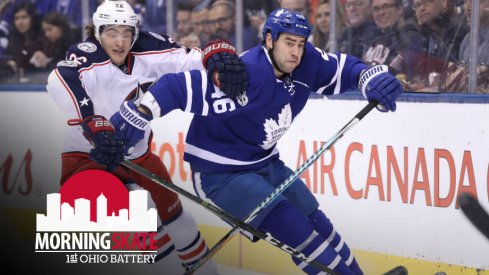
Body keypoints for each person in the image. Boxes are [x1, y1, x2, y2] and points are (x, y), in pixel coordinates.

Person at [98, 8, 403, 275]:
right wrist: (137, 113)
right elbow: (176, 87)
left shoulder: (306, 61)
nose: (295, 52)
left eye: (300, 44)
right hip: (221, 176)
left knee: (319, 224)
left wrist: (368, 77)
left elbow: (344, 68)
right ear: (269, 40)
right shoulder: (243, 74)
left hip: (265, 163)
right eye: (288, 43)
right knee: (298, 231)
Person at [45, 0, 247, 274]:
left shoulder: (149, 48)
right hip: (90, 158)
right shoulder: (87, 53)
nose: (120, 41)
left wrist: (216, 55)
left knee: (180, 221)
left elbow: (192, 59)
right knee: (142, 209)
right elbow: (58, 79)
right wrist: (91, 121)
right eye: (111, 33)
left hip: (138, 158)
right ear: (97, 32)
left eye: (126, 33)